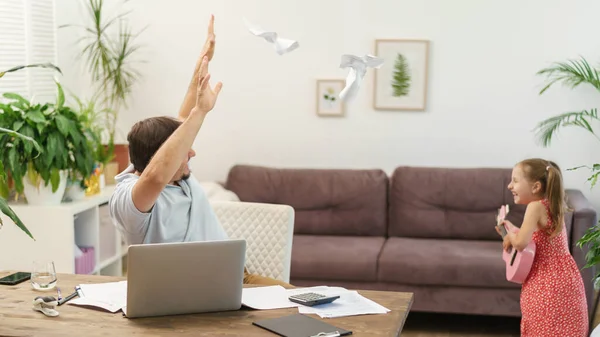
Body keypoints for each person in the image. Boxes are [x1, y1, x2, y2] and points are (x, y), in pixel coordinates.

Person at [109, 15, 292, 289]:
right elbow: (156, 176)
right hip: (183, 289)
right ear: (163, 158)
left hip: (235, 277)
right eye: (183, 151)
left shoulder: (179, 175)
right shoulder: (129, 197)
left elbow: (183, 120)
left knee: (299, 303)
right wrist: (202, 111)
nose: (191, 152)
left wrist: (203, 62)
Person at [497, 158, 588, 336]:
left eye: (515, 180)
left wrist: (510, 236)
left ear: (536, 187)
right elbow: (535, 239)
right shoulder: (553, 205)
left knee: (542, 327)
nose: (509, 186)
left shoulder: (535, 206)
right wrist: (512, 230)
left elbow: (522, 243)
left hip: (545, 281)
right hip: (565, 278)